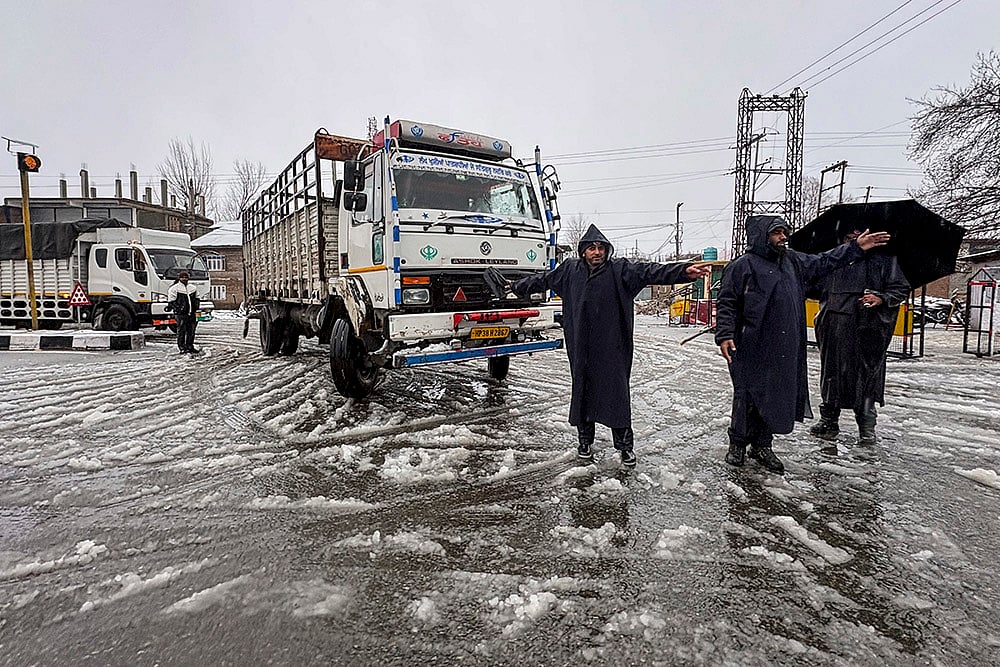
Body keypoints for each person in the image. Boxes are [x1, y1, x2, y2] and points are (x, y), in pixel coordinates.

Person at [507, 224, 711, 467]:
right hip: (581, 345)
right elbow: (543, 280)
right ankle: (585, 442)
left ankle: (625, 447)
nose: (597, 252)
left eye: (601, 248)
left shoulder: (620, 270)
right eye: (592, 248)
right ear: (583, 251)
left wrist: (683, 271)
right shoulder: (570, 270)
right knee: (583, 392)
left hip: (612, 345)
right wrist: (516, 286)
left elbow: (650, 271)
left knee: (616, 395)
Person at [714, 215, 890, 474]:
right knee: (747, 394)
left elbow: (825, 261)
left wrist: (855, 248)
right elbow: (727, 302)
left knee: (773, 394)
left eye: (784, 231)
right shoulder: (742, 266)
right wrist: (725, 334)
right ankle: (738, 443)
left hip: (782, 344)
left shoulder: (792, 261)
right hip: (749, 342)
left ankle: (763, 445)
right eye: (777, 232)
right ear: (762, 236)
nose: (783, 237)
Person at [808, 225, 910, 445]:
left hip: (867, 328)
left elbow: (900, 288)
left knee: (866, 377)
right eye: (849, 237)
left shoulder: (883, 261)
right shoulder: (833, 261)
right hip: (833, 327)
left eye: (859, 235)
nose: (855, 240)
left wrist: (881, 298)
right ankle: (829, 420)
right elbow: (814, 287)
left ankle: (866, 426)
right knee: (831, 374)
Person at [167, 270, 201, 354]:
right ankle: (182, 347)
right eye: (182, 277)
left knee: (191, 331)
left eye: (186, 277)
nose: (184, 279)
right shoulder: (174, 288)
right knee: (181, 330)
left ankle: (190, 346)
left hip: (191, 313)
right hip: (180, 314)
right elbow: (171, 301)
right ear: (179, 278)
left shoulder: (193, 288)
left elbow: (197, 298)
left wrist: (196, 307)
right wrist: (179, 309)